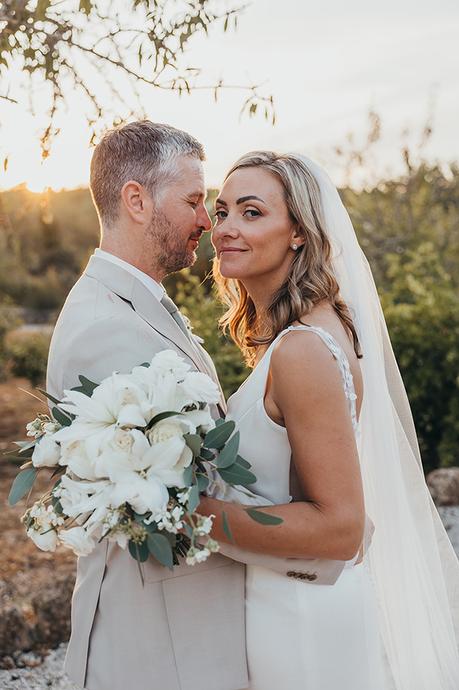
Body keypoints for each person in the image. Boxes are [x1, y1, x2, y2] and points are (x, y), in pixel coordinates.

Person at [46, 122, 340, 690]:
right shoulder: (105, 327)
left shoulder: (136, 304)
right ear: (137, 200)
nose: (208, 221)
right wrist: (322, 534)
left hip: (187, 627)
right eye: (195, 200)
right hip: (156, 642)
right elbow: (167, 500)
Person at [197, 151, 459, 690]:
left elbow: (341, 528)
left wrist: (188, 515)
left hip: (303, 615)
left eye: (252, 213)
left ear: (299, 232)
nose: (225, 229)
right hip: (287, 597)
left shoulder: (302, 350)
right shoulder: (310, 331)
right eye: (221, 212)